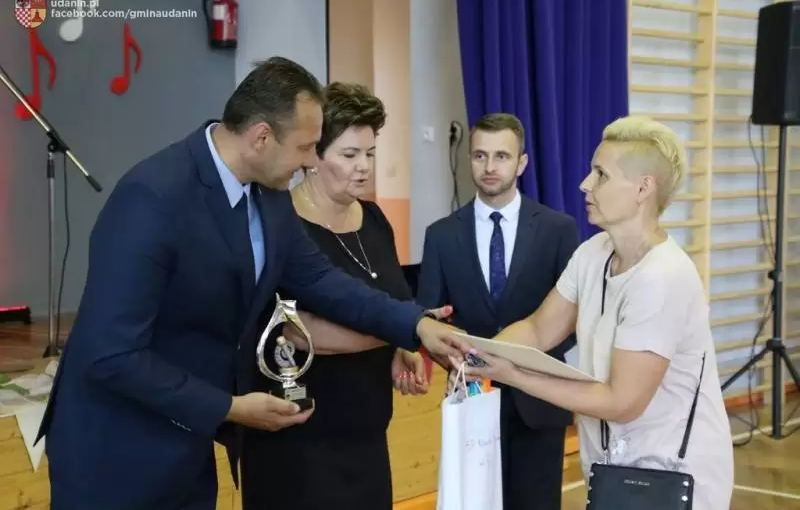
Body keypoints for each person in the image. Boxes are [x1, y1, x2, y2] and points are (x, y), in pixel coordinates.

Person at [36, 57, 468, 510]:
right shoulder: (153, 197)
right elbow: (112, 354)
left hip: (188, 439)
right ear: (262, 137)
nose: (310, 162)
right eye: (305, 148)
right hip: (116, 449)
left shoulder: (268, 195)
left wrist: (415, 324)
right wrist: (230, 408)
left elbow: (322, 279)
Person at [461, 116, 735, 510]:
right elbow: (539, 329)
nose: (585, 184)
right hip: (613, 470)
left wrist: (513, 374)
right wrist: (476, 354)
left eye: (601, 174)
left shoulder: (663, 278)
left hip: (672, 476)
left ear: (643, 188)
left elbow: (622, 402)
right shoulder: (592, 254)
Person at [240, 81, 433, 510]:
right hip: (298, 439)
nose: (363, 167)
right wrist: (403, 329)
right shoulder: (281, 223)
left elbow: (390, 300)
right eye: (349, 155)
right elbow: (300, 334)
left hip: (367, 436)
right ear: (313, 157)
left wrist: (403, 346)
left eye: (370, 153)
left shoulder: (375, 219)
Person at [417, 113, 580, 510]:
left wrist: (515, 360)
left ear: (521, 163)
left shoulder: (559, 229)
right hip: (472, 399)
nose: (489, 166)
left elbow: (572, 321)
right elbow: (429, 318)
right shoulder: (440, 235)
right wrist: (457, 358)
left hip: (539, 400)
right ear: (469, 159)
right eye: (480, 156)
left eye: (502, 156)